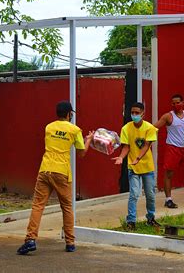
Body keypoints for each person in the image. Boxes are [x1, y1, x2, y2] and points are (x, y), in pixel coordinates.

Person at [17, 101, 94, 255]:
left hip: (45, 169)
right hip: (61, 172)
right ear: (69, 114)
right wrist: (89, 140)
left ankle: (30, 240)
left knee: (38, 205)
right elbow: (81, 153)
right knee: (66, 207)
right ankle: (70, 242)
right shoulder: (75, 130)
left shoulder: (49, 127)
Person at [112, 102, 160, 230]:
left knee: (150, 194)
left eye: (137, 113)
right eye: (132, 113)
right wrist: (121, 158)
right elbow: (126, 147)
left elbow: (146, 146)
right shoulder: (126, 128)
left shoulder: (149, 128)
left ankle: (150, 218)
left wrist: (138, 158)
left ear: (143, 113)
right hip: (132, 167)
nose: (134, 115)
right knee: (134, 194)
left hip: (147, 167)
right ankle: (131, 221)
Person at [154, 94, 184, 209]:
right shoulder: (168, 116)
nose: (175, 105)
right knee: (169, 173)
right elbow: (154, 128)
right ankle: (168, 200)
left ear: (182, 103)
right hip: (173, 147)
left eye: (177, 102)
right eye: (173, 103)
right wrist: (142, 133)